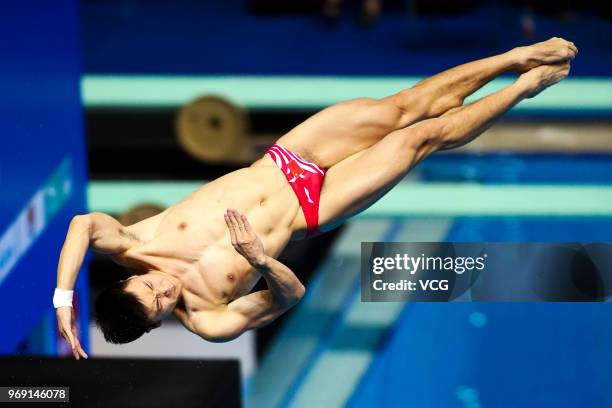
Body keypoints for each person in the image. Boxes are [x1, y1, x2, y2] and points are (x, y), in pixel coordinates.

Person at [54, 38, 577, 358]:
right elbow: (289, 297)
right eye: (161, 307)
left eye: (150, 287)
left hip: (288, 158)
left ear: (130, 277)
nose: (165, 290)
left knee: (404, 107)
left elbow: (80, 224)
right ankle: (523, 88)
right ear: (159, 322)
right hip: (315, 207)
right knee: (419, 139)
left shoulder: (132, 242)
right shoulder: (209, 319)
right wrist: (261, 261)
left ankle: (515, 56)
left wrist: (63, 298)